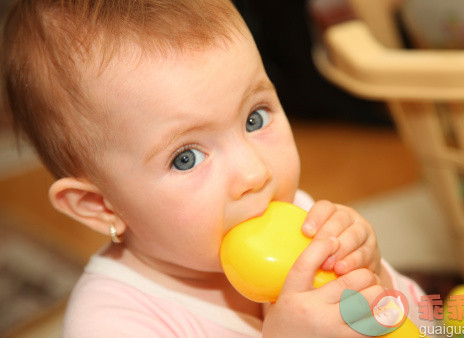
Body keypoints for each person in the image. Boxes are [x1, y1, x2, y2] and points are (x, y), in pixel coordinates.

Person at [1, 0, 426, 336]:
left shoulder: (297, 218)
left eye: (255, 117)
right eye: (185, 158)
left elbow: (421, 324)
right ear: (100, 204)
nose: (254, 174)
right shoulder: (115, 322)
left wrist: (374, 277)